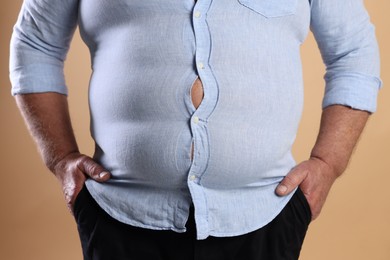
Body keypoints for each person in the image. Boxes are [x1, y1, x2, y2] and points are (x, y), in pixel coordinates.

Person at [9, 0, 381, 259]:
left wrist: (328, 163)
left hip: (264, 212)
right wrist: (60, 158)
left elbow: (353, 51)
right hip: (119, 211)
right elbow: (35, 42)